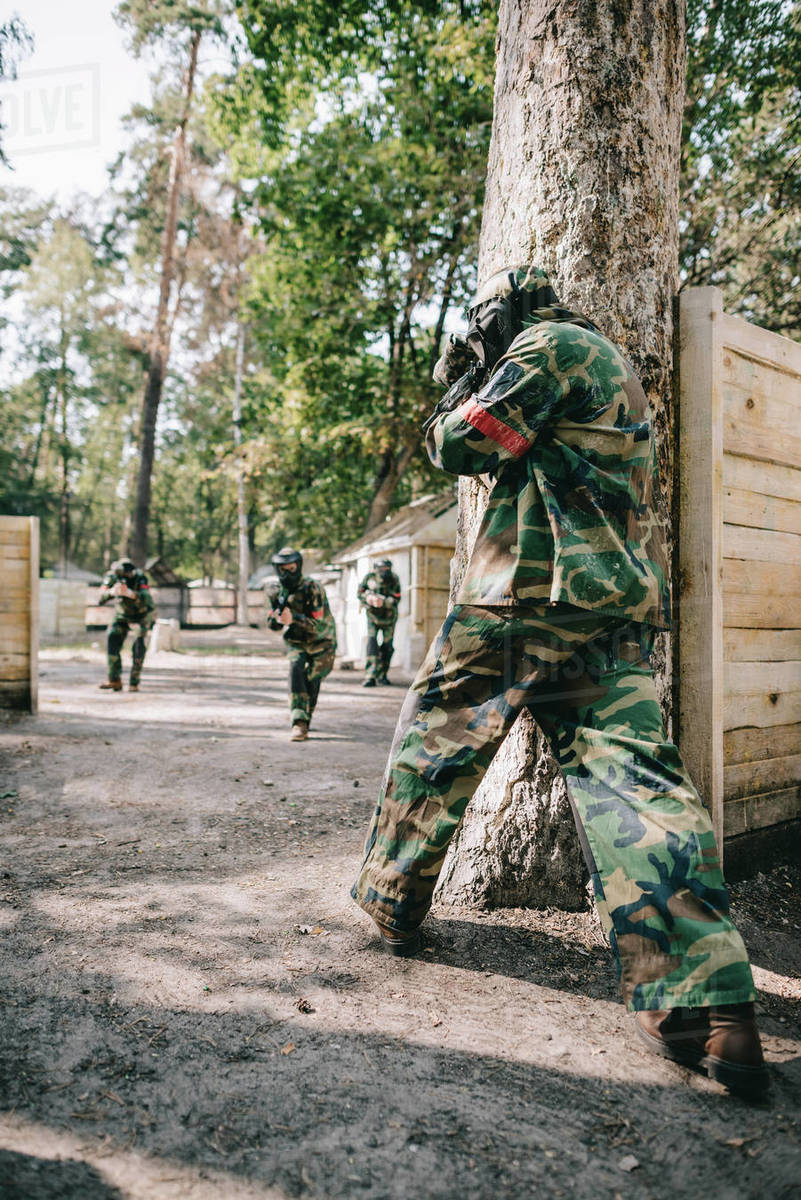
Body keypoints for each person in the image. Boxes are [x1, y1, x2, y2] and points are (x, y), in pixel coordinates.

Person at [351, 266, 768, 1097]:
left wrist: (465, 386)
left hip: (524, 597)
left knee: (435, 742)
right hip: (607, 608)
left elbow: (458, 443)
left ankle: (391, 899)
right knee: (636, 792)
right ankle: (712, 1009)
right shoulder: (607, 363)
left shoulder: (549, 346)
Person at [266, 547, 337, 742]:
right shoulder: (278, 590)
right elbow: (271, 624)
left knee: (311, 681)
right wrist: (277, 617)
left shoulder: (313, 588)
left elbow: (319, 624)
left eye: (290, 568)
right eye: (282, 569)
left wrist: (294, 619)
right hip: (297, 641)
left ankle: (305, 717)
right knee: (296, 670)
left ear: (298, 566)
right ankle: (299, 722)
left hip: (323, 641)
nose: (286, 573)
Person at [97, 558, 155, 692]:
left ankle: (134, 682)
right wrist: (112, 592)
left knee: (138, 647)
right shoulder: (112, 577)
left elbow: (146, 599)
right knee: (112, 639)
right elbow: (100, 596)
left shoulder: (140, 577)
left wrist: (130, 593)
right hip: (122, 615)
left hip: (141, 615)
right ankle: (114, 680)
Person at [357, 558, 402, 687]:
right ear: (376, 569)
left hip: (389, 618)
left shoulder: (394, 579)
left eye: (387, 569)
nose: (384, 572)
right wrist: (368, 597)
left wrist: (384, 601)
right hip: (372, 617)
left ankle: (382, 675)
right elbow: (359, 593)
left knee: (387, 647)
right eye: (382, 569)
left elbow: (397, 598)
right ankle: (370, 675)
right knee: (372, 645)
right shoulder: (369, 578)